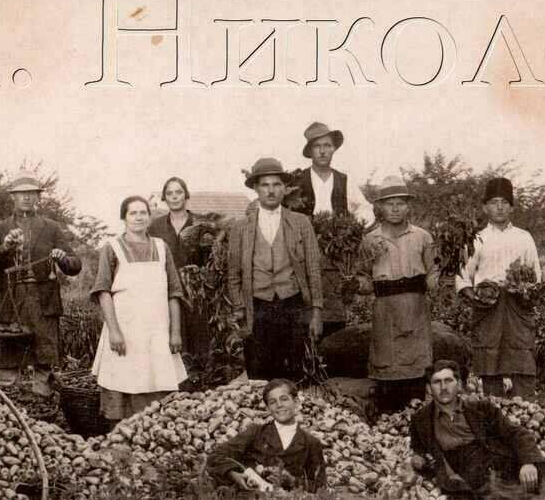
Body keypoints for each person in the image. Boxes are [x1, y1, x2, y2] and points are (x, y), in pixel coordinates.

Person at [91, 195, 188, 425]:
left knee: (157, 380)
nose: (138, 217)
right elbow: (103, 292)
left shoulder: (162, 248)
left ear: (149, 216)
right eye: (132, 213)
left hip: (157, 330)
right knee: (124, 380)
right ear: (124, 218)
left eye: (143, 212)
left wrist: (175, 332)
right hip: (125, 330)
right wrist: (114, 331)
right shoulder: (112, 248)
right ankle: (122, 438)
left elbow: (174, 293)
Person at [228, 157, 325, 381]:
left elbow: (313, 269)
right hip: (257, 308)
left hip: (292, 305)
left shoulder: (300, 222)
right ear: (255, 188)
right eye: (265, 185)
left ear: (284, 188)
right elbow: (233, 274)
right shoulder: (241, 227)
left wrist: (317, 312)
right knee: (258, 373)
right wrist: (239, 308)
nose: (271, 191)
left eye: (276, 184)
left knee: (293, 373)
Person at [352, 176, 440, 418]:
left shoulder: (422, 236)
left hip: (415, 306)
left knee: (416, 368)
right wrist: (355, 284)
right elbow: (364, 278)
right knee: (387, 366)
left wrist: (435, 282)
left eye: (400, 203)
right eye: (389, 203)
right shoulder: (370, 239)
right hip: (385, 309)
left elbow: (433, 270)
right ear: (379, 207)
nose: (394, 209)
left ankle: (417, 423)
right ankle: (388, 425)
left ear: (408, 206)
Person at [0, 174, 83, 375]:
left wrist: (62, 258)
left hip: (42, 302)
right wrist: (5, 247)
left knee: (43, 361)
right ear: (13, 197)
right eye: (21, 194)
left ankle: (42, 402)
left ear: (38, 197)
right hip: (9, 299)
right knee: (7, 361)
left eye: (31, 193)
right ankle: (9, 401)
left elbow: (75, 265)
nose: (26, 198)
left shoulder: (51, 228)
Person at [455, 177, 543, 399]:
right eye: (494, 202)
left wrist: (527, 291)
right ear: (485, 207)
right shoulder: (476, 239)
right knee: (489, 358)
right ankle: (493, 407)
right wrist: (474, 296)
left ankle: (525, 407)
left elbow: (536, 275)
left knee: (522, 355)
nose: (500, 207)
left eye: (504, 202)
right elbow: (463, 276)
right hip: (488, 306)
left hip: (518, 306)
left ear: (512, 207)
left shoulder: (524, 238)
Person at [409, 360, 542, 500]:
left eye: (448, 381)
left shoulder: (481, 408)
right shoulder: (421, 420)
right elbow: (419, 450)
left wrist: (528, 462)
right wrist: (419, 459)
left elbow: (516, 433)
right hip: (471, 477)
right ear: (429, 388)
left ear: (459, 384)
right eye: (437, 382)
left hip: (502, 463)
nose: (443, 387)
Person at [290, 122, 375, 339]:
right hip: (303, 250)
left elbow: (366, 209)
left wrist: (349, 228)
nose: (323, 150)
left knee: (334, 307)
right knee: (303, 306)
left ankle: (332, 350)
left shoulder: (343, 180)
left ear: (334, 148)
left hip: (336, 253)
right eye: (317, 146)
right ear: (310, 151)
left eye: (327, 145)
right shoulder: (297, 180)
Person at [206, 379, 327, 492]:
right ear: (268, 408)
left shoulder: (311, 443)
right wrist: (234, 474)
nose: (279, 405)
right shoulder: (255, 432)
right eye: (273, 402)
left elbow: (320, 487)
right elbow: (216, 456)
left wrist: (292, 481)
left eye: (284, 399)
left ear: (296, 402)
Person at [148, 177, 210, 363]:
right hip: (165, 291)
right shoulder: (155, 226)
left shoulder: (200, 223)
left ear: (186, 195)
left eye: (178, 192)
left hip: (196, 293)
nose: (174, 197)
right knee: (169, 339)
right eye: (169, 193)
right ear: (165, 198)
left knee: (197, 340)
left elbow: (211, 261)